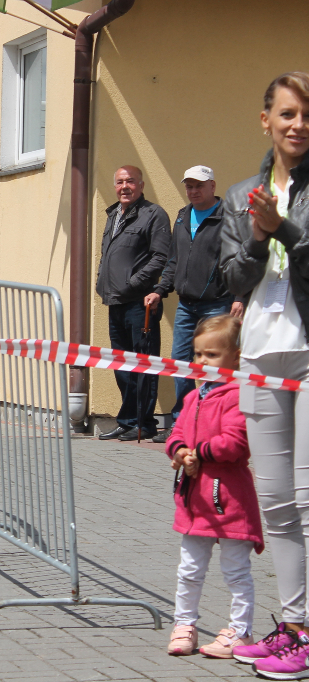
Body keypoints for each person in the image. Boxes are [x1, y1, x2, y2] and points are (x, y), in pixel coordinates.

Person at [222, 72, 309, 680]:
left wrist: (287, 229)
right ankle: (295, 627)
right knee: (276, 501)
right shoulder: (241, 194)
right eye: (287, 114)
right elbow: (230, 279)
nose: (298, 124)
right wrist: (256, 235)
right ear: (266, 121)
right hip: (260, 353)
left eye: (306, 115)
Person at [163, 315, 263, 658]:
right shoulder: (193, 397)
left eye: (212, 355)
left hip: (230, 500)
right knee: (189, 569)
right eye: (198, 354)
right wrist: (179, 452)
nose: (202, 362)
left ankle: (241, 631)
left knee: (236, 571)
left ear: (235, 357)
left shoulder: (238, 394)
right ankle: (184, 624)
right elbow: (176, 433)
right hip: (195, 502)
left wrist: (198, 455)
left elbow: (235, 442)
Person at [146, 166, 242, 444]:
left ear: (212, 185)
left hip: (218, 304)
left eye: (199, 185)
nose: (193, 191)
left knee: (217, 366)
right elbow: (174, 261)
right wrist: (160, 289)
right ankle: (182, 423)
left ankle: (217, 421)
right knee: (181, 365)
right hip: (187, 306)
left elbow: (240, 261)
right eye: (189, 186)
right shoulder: (182, 216)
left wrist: (239, 297)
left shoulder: (228, 217)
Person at [95, 165, 171, 441]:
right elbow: (108, 255)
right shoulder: (114, 214)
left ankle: (143, 424)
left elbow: (160, 257)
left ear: (141, 184)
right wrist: (101, 281)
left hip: (141, 303)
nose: (124, 186)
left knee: (143, 364)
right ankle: (127, 421)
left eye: (130, 181)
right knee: (122, 365)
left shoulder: (153, 214)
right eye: (119, 182)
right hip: (115, 301)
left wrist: (134, 283)